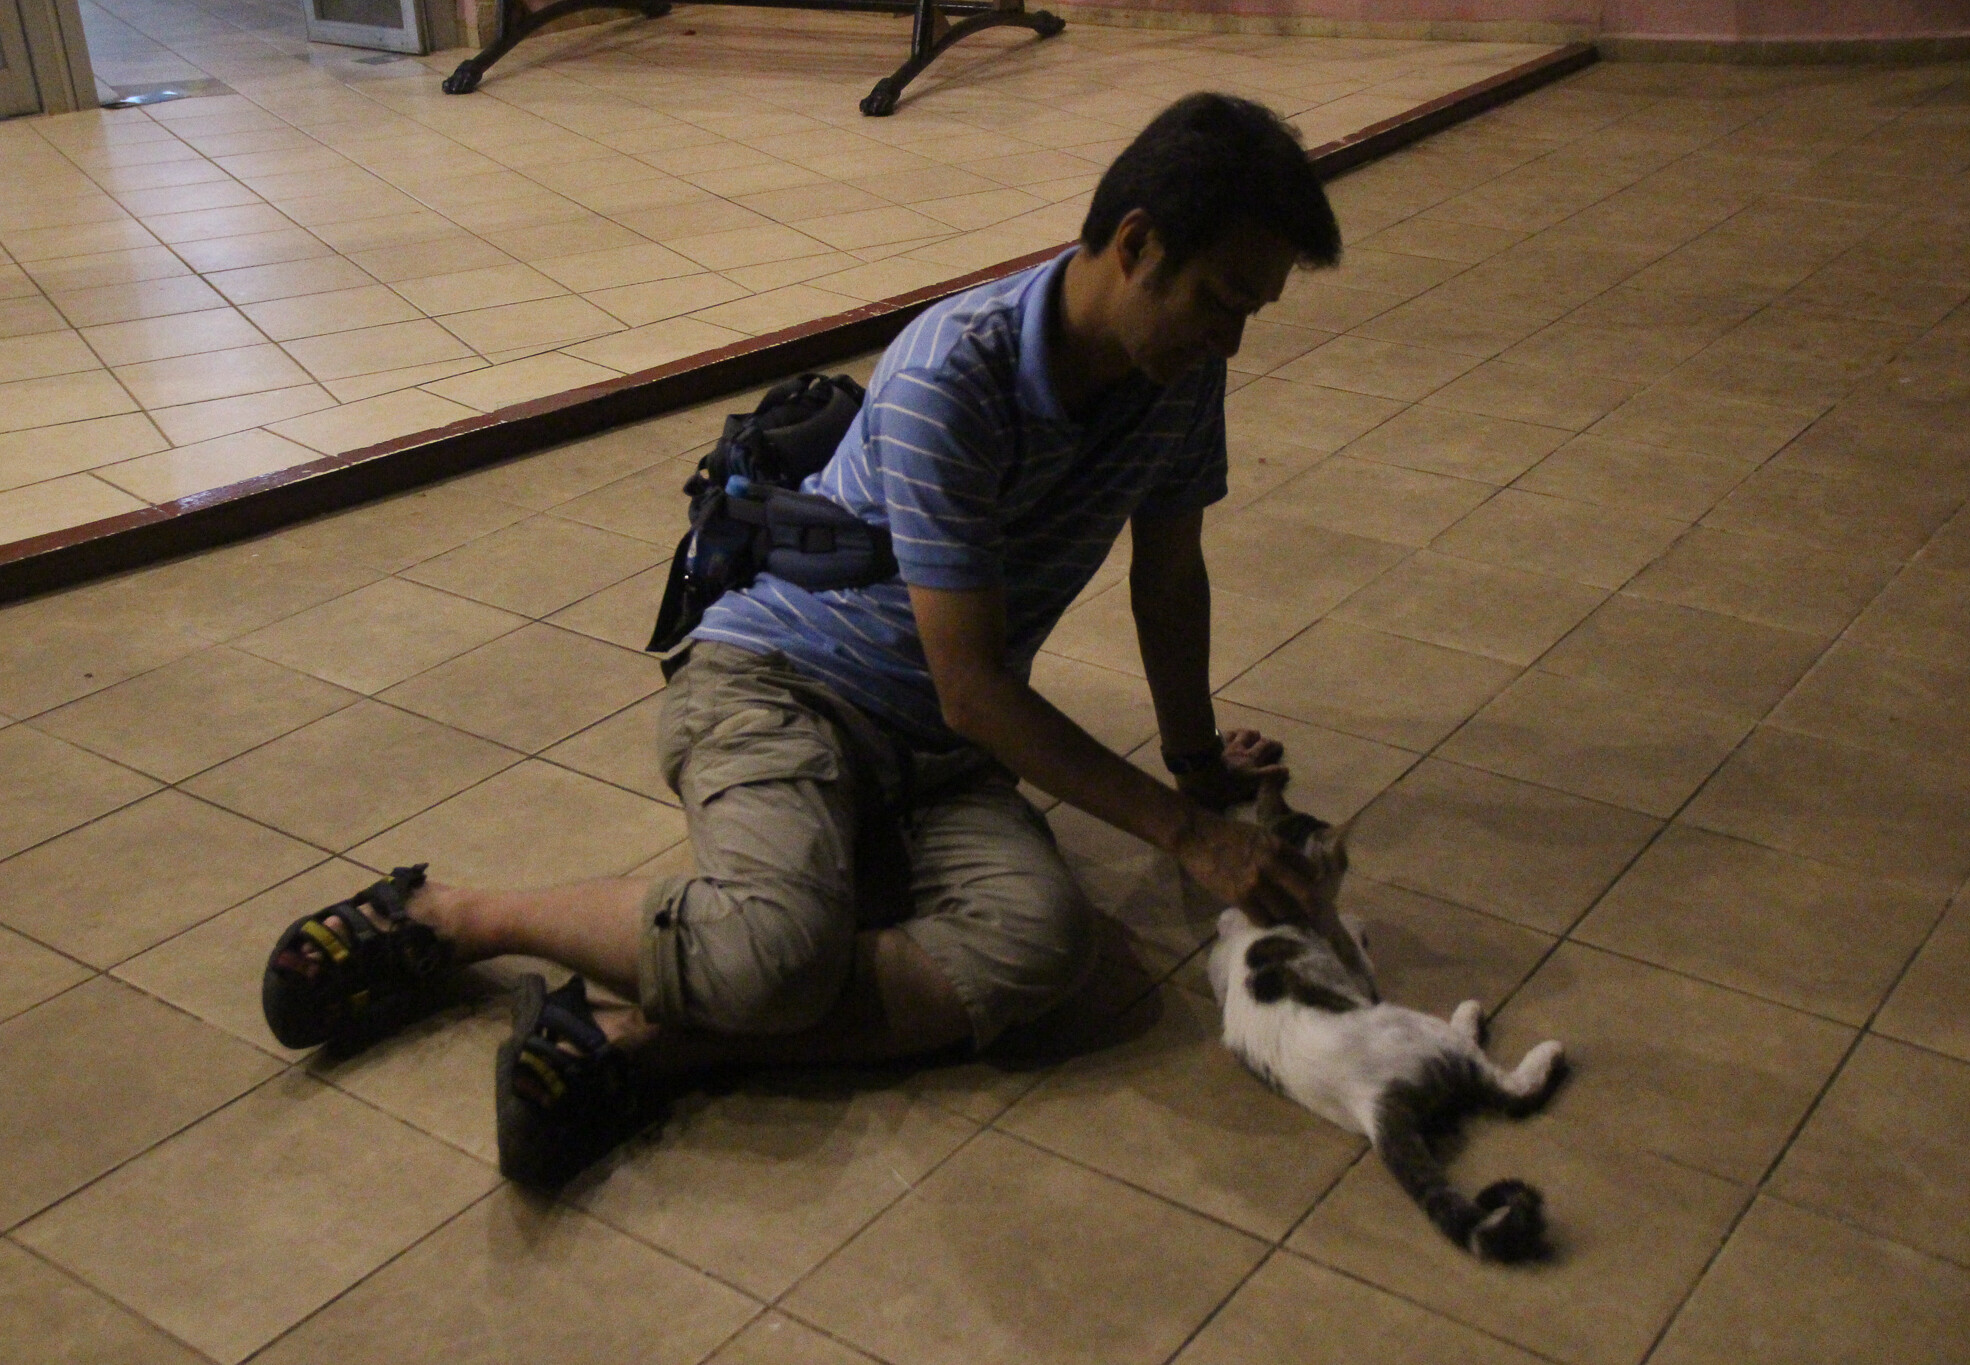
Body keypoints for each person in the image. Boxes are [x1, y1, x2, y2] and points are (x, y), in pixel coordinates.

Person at [260, 91, 1346, 1185]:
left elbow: (1169, 577)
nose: (1231, 339)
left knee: (1043, 948)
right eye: (1220, 301)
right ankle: (454, 917)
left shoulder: (1180, 379)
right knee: (773, 951)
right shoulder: (952, 374)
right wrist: (1185, 833)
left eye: (1251, 310)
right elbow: (973, 688)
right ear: (1136, 245)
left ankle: (657, 1039)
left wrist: (1196, 765)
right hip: (779, 683)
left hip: (939, 755)